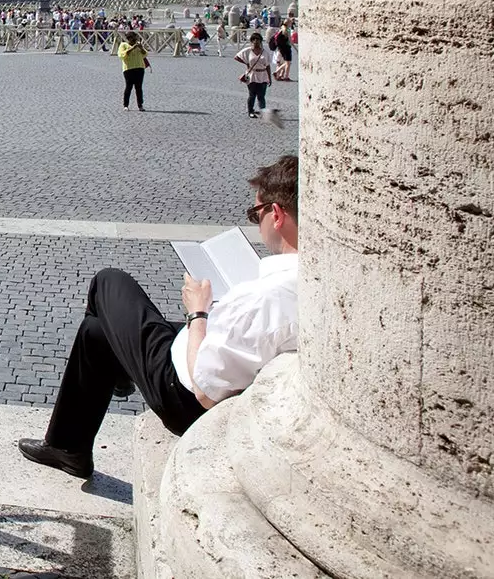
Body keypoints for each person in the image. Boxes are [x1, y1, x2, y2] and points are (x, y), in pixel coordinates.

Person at [18, 155, 300, 479]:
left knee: (108, 282)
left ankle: (117, 379)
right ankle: (68, 447)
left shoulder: (265, 299)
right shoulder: (315, 282)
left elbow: (205, 389)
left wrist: (198, 312)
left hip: (180, 394)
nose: (256, 221)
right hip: (222, 361)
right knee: (96, 331)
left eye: (256, 213)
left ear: (276, 215)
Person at [236, 32, 275, 117]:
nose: (256, 41)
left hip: (263, 75)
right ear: (251, 41)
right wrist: (246, 63)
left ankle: (263, 111)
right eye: (254, 39)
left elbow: (268, 66)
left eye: (258, 39)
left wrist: (269, 78)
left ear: (261, 41)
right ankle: (250, 111)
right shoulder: (248, 51)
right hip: (252, 75)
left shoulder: (265, 52)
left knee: (261, 95)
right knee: (252, 95)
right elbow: (237, 57)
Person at [117, 30, 148, 112]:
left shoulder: (138, 45)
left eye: (135, 38)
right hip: (128, 69)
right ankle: (126, 105)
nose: (135, 40)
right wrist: (132, 48)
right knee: (128, 87)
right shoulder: (123, 45)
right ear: (128, 38)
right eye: (133, 39)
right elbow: (122, 55)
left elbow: (145, 54)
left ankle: (140, 105)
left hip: (140, 68)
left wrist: (141, 48)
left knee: (139, 87)